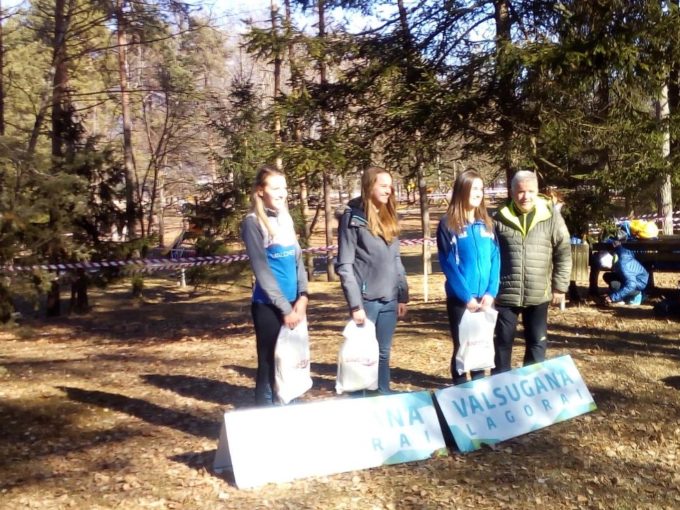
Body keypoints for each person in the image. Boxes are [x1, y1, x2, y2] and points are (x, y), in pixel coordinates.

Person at [336, 166, 409, 394]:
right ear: (369, 186)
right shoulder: (353, 218)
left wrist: (402, 294)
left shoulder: (390, 216)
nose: (389, 190)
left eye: (390, 185)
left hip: (390, 298)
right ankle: (360, 398)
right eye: (383, 185)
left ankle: (383, 393)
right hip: (366, 301)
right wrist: (355, 304)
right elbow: (345, 265)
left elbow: (395, 259)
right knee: (363, 355)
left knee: (383, 352)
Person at [241, 165, 309, 405]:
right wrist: (285, 309)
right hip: (269, 306)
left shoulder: (286, 217)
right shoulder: (252, 222)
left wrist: (303, 295)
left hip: (293, 304)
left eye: (285, 188)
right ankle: (265, 413)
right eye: (276, 188)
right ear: (261, 191)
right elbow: (262, 271)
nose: (283, 193)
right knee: (269, 363)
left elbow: (297, 258)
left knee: (292, 360)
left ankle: (291, 407)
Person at [492, 171, 572, 374]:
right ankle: (501, 384)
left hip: (539, 293)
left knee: (537, 342)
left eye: (530, 191)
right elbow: (489, 256)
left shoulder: (551, 217)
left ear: (537, 192)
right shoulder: (498, 218)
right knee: (502, 343)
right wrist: (489, 289)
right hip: (505, 294)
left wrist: (560, 286)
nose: (525, 196)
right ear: (511, 192)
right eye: (520, 191)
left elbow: (563, 252)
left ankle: (532, 384)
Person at [436, 170, 500, 384]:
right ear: (462, 190)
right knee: (463, 348)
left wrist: (491, 293)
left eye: (481, 189)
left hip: (485, 299)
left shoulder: (487, 224)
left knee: (481, 348)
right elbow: (448, 264)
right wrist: (466, 298)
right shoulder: (447, 224)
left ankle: (479, 397)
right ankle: (461, 394)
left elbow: (495, 259)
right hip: (462, 300)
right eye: (474, 189)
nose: (478, 194)